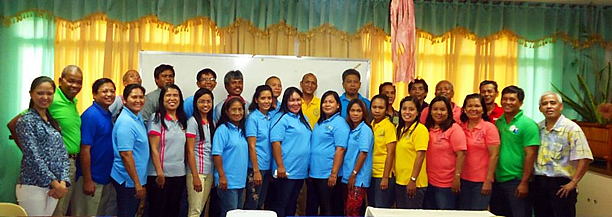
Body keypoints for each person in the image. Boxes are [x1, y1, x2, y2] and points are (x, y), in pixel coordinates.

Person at [15, 76, 71, 216]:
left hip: (55, 187)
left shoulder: (52, 122)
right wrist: (55, 184)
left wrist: (63, 182)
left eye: (49, 93)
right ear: (31, 94)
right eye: (40, 93)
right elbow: (33, 156)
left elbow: (63, 154)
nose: (45, 97)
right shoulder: (26, 121)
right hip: (33, 185)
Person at [532, 91, 593, 217]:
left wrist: (573, 182)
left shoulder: (572, 128)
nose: (549, 106)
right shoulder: (537, 128)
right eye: (545, 104)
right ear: (540, 109)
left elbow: (585, 157)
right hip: (539, 183)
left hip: (561, 185)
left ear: (561, 106)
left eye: (553, 103)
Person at [490, 86, 540, 217]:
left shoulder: (528, 124)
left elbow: (531, 155)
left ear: (521, 102)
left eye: (512, 99)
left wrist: (524, 182)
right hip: (498, 180)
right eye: (505, 99)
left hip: (517, 181)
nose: (507, 102)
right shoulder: (499, 122)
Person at [72, 78, 118, 216]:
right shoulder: (91, 116)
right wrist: (87, 180)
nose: (109, 94)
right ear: (94, 94)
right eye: (104, 91)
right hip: (91, 178)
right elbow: (85, 150)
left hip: (105, 178)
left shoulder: (108, 114)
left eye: (112, 91)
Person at [146, 84, 188, 217]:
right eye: (168, 95)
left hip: (179, 174)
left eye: (175, 95)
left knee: (173, 210)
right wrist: (159, 172)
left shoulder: (182, 120)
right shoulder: (156, 118)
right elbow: (154, 148)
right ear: (162, 99)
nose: (172, 98)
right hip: (160, 175)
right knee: (158, 211)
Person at [270, 87, 312, 217]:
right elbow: (276, 142)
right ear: (285, 102)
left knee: (293, 203)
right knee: (282, 203)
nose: (296, 103)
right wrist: (280, 166)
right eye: (292, 100)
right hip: (286, 170)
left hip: (300, 170)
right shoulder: (281, 118)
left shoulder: (303, 118)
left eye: (298, 100)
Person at [111, 84, 149, 217]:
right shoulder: (126, 122)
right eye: (134, 97)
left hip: (135, 179)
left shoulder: (136, 117)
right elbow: (126, 155)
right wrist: (137, 184)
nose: (138, 100)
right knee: (126, 213)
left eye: (141, 97)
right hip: (128, 180)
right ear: (125, 100)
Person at [310, 90, 350, 216]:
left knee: (328, 208)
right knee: (321, 206)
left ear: (338, 105)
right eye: (325, 102)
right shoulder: (320, 122)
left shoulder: (339, 123)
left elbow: (340, 149)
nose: (327, 104)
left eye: (331, 102)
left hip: (328, 174)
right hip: (316, 172)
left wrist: (333, 174)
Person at [423, 96, 467, 210]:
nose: (438, 112)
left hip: (446, 184)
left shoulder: (454, 129)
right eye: (435, 109)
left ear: (448, 111)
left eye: (442, 109)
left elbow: (461, 154)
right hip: (429, 181)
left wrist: (457, 178)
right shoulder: (428, 128)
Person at [457, 94, 500, 210]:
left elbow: (494, 155)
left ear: (483, 109)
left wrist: (488, 180)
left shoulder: (489, 128)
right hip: (463, 180)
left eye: (477, 106)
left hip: (481, 181)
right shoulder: (460, 128)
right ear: (464, 109)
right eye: (469, 106)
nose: (473, 109)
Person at [51, 65, 84, 216]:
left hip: (70, 163)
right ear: (60, 80)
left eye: (79, 82)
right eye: (71, 81)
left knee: (61, 210)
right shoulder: (52, 99)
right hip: (56, 163)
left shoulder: (72, 102)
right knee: (56, 211)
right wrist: (32, 152)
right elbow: (16, 123)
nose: (75, 86)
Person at [212, 97, 249, 217]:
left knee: (237, 214)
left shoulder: (242, 130)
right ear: (227, 111)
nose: (237, 113)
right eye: (233, 110)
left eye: (240, 109)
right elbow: (217, 154)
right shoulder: (222, 130)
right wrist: (222, 176)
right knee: (229, 213)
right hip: (227, 182)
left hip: (240, 181)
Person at [394, 96, 429, 209]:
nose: (407, 112)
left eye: (411, 109)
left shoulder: (420, 130)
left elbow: (420, 156)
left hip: (415, 183)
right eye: (404, 109)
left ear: (418, 112)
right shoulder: (400, 128)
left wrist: (413, 180)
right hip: (400, 181)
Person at [186, 88, 216, 217]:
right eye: (202, 101)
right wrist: (195, 176)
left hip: (209, 172)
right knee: (195, 211)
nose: (205, 105)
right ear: (196, 104)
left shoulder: (211, 122)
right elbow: (189, 150)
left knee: (201, 209)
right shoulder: (192, 122)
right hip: (196, 172)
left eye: (208, 101)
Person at [243, 85, 274, 210]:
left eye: (269, 98)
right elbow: (251, 146)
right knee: (252, 202)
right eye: (263, 98)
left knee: (261, 203)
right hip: (256, 167)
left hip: (268, 167)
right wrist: (256, 171)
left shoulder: (271, 116)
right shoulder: (253, 118)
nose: (266, 101)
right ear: (256, 100)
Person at [342, 99, 374, 216]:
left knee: (353, 211)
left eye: (359, 111)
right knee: (347, 210)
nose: (355, 114)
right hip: (348, 176)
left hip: (357, 178)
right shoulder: (351, 129)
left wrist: (354, 174)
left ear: (364, 113)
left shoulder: (365, 130)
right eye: (352, 110)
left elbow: (363, 153)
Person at [368, 95, 397, 208]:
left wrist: (385, 177)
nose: (377, 110)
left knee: (381, 208)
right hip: (371, 173)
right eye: (374, 107)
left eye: (380, 107)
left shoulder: (388, 126)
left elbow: (391, 153)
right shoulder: (371, 124)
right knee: (372, 207)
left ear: (386, 109)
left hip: (383, 174)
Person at [298, 73, 320, 215]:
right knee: (296, 190)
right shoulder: (294, 101)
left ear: (316, 86)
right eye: (307, 82)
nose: (310, 85)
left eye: (313, 83)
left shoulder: (321, 103)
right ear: (301, 83)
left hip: (316, 154)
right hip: (298, 153)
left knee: (313, 192)